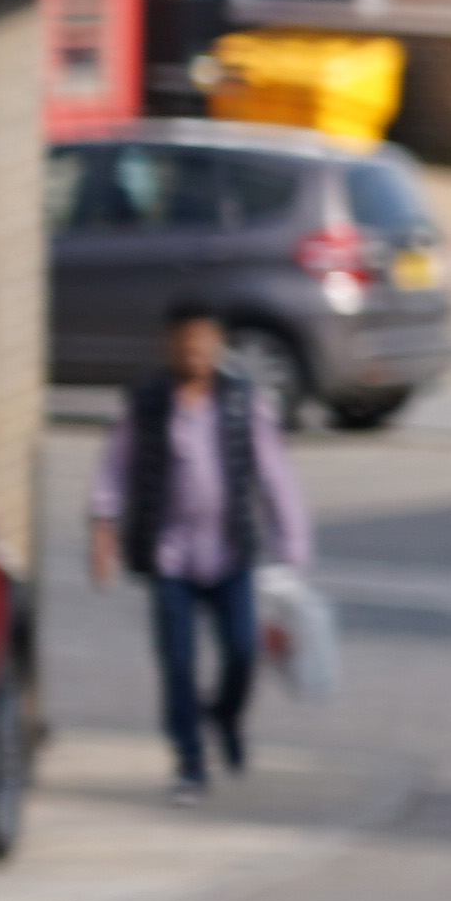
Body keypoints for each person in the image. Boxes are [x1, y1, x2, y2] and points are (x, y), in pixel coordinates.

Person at [90, 297, 312, 802]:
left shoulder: (242, 403)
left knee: (241, 651)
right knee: (178, 662)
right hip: (171, 557)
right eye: (184, 342)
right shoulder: (147, 405)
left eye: (203, 341)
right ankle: (189, 761)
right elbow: (114, 467)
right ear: (168, 345)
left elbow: (276, 477)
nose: (194, 352)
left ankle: (226, 718)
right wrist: (103, 525)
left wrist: (292, 550)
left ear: (218, 345)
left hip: (229, 553)